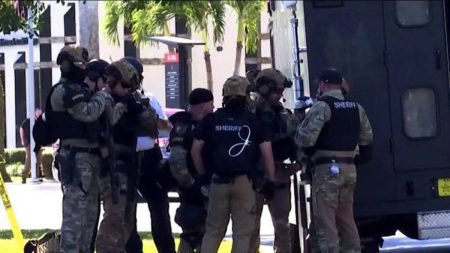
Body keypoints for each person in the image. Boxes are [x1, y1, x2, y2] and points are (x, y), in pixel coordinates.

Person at [192, 75, 276, 253]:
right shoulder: (254, 122)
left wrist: (202, 176)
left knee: (213, 231)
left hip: (217, 181)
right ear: (246, 95)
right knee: (242, 233)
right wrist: (270, 179)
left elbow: (195, 150)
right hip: (244, 182)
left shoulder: (211, 120)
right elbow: (267, 153)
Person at [296, 68, 373, 253]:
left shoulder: (322, 106)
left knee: (326, 221)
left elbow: (306, 140)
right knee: (346, 218)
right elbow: (367, 139)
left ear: (323, 84)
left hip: (327, 170)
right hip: (349, 169)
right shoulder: (356, 107)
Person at [50, 45, 112, 252]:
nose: (83, 69)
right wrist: (103, 95)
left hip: (91, 159)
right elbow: (87, 113)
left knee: (88, 222)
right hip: (75, 160)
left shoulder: (82, 89)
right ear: (67, 65)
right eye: (79, 64)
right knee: (74, 223)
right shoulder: (63, 91)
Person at [95, 59, 158, 253]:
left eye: (130, 87)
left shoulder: (132, 100)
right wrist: (124, 105)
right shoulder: (103, 99)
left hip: (130, 167)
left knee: (127, 221)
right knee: (114, 218)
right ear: (112, 81)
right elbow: (111, 120)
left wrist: (139, 108)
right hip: (113, 168)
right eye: (124, 85)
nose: (127, 90)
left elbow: (152, 128)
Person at [121, 56, 177, 253]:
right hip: (127, 157)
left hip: (148, 158)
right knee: (129, 211)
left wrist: (147, 116)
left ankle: (166, 249)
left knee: (159, 208)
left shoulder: (148, 98)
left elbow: (165, 128)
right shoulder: (115, 100)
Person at [249, 68, 300, 253]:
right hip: (254, 176)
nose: (280, 95)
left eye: (281, 91)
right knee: (250, 229)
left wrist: (298, 164)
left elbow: (296, 140)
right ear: (264, 89)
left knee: (282, 227)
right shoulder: (250, 113)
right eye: (277, 91)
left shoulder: (284, 114)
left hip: (279, 175)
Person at [169, 88, 214, 253]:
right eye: (211, 105)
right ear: (204, 106)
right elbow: (176, 159)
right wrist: (191, 184)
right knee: (194, 232)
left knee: (204, 231)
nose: (213, 109)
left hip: (203, 184)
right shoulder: (185, 124)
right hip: (193, 186)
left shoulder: (205, 123)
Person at [20, 108, 44, 183]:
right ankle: (24, 177)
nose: (39, 115)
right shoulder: (28, 121)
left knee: (38, 159)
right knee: (29, 160)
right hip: (29, 143)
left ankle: (36, 176)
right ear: (35, 113)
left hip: (37, 143)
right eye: (38, 113)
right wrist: (22, 139)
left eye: (40, 113)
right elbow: (21, 128)